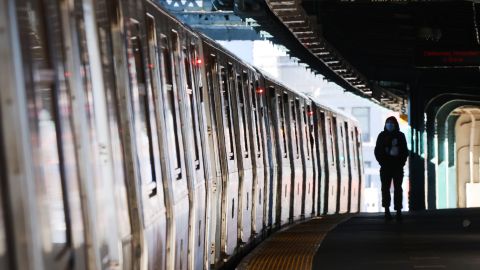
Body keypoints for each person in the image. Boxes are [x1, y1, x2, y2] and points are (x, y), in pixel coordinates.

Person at [374, 116, 409, 221]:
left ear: (395, 124)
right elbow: (377, 151)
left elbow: (404, 151)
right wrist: (382, 162)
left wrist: (401, 163)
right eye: (388, 122)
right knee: (385, 188)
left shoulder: (400, 136)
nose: (389, 124)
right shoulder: (381, 136)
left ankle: (398, 210)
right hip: (385, 167)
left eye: (391, 123)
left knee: (398, 188)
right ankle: (387, 210)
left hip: (397, 167)